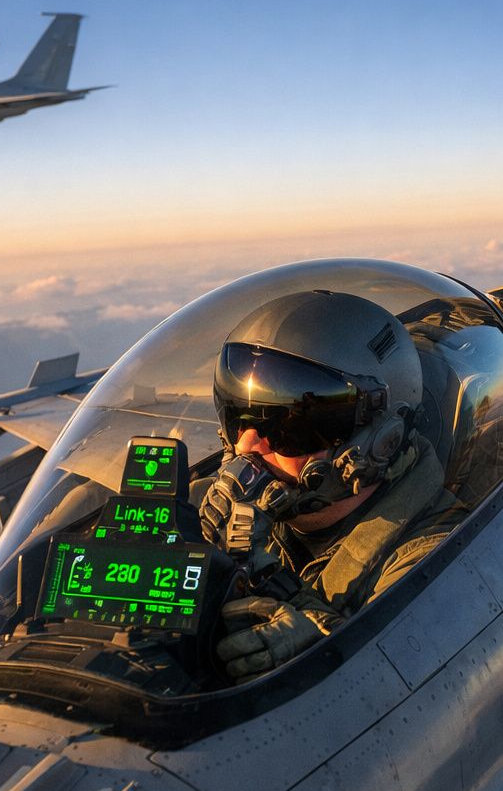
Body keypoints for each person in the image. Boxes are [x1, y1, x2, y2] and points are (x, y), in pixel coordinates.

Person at [199, 289, 466, 682]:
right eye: (238, 417)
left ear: (380, 442)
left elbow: (412, 694)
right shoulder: (225, 515)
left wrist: (323, 645)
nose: (246, 446)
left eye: (287, 428)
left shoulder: (435, 565)